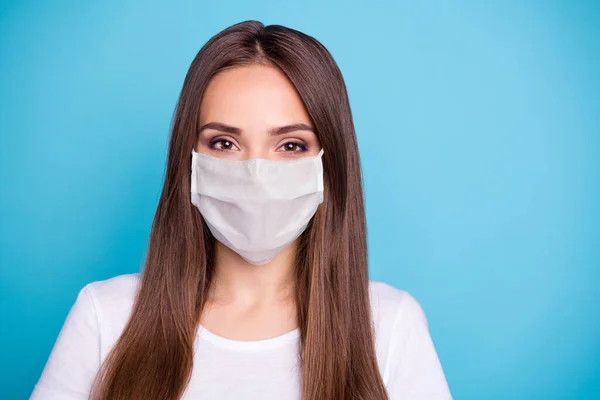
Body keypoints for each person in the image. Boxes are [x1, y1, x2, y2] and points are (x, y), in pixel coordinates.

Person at [30, 20, 452, 400]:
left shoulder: (390, 326)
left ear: (329, 163)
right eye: (224, 143)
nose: (256, 173)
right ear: (189, 159)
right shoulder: (106, 315)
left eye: (290, 146)